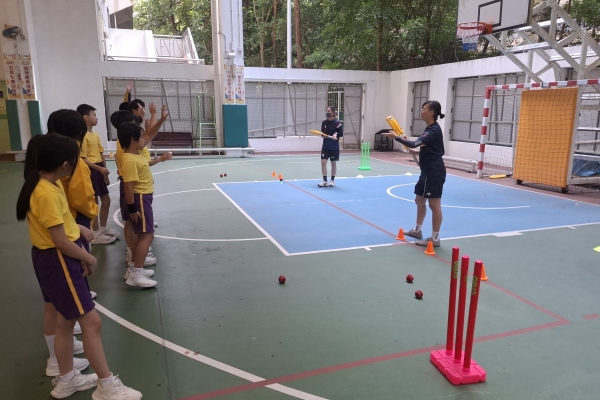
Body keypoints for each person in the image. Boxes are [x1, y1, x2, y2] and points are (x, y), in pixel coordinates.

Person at [16, 134, 142, 399]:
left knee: (65, 321)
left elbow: (57, 225)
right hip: (59, 260)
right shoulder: (46, 193)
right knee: (92, 323)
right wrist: (89, 258)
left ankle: (67, 380)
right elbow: (60, 241)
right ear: (65, 165)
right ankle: (106, 386)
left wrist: (79, 229)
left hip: (50, 259)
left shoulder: (45, 185)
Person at [384, 101, 446, 247]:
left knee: (434, 205)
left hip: (434, 172)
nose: (421, 111)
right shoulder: (429, 129)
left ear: (432, 112)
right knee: (419, 200)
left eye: (424, 109)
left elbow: (414, 143)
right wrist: (416, 152)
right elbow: (429, 148)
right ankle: (417, 231)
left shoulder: (433, 130)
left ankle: (435, 238)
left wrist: (396, 137)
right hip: (426, 172)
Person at [118, 122, 160, 288]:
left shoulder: (137, 155)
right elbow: (128, 186)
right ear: (132, 140)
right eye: (142, 137)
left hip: (145, 198)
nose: (144, 140)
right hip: (140, 199)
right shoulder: (129, 160)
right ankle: (136, 274)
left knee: (141, 236)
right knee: (147, 235)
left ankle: (133, 268)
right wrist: (133, 209)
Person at [76, 104, 118, 245]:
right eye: (94, 115)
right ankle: (95, 233)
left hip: (99, 169)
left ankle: (102, 229)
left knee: (106, 200)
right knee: (94, 202)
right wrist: (99, 169)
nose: (97, 118)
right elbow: (83, 158)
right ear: (86, 117)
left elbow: (101, 154)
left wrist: (104, 171)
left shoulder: (96, 135)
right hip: (91, 169)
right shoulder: (82, 137)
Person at [318, 106, 343, 187]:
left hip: (334, 147)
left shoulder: (337, 123)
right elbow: (322, 133)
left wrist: (336, 135)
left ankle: (332, 180)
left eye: (329, 111)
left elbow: (341, 133)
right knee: (323, 163)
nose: (327, 112)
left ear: (333, 113)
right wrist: (323, 135)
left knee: (333, 163)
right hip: (325, 146)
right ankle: (324, 180)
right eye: (326, 111)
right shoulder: (324, 123)